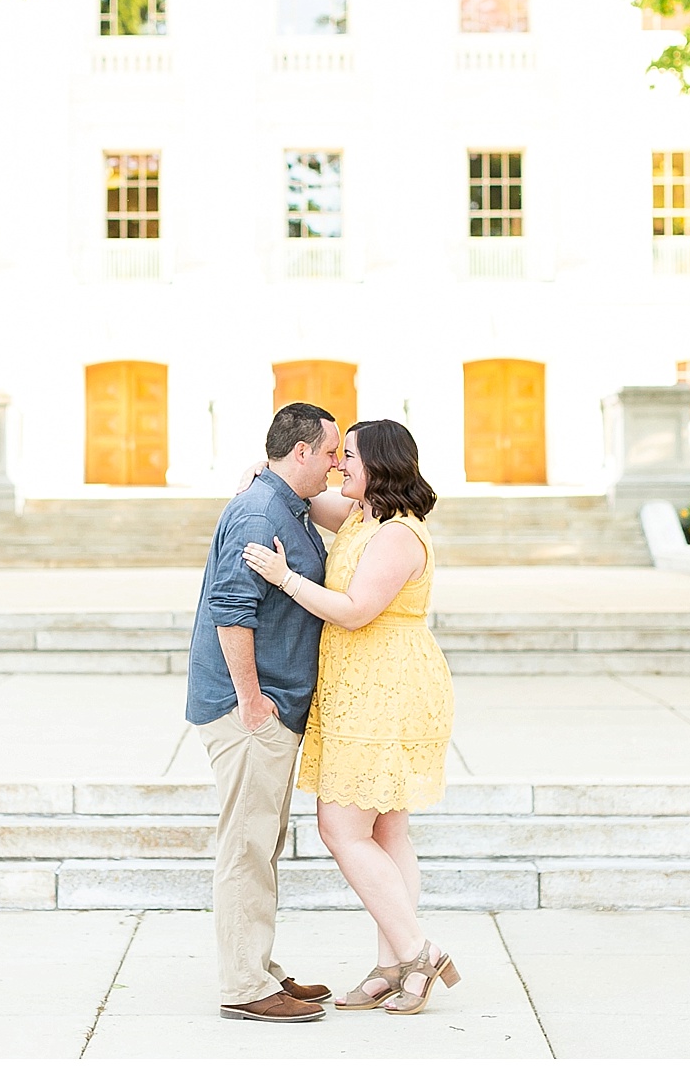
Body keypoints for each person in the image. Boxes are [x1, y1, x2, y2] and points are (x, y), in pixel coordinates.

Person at [241, 418, 460, 1016]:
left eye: (352, 457)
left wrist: (284, 578)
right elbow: (308, 496)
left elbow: (358, 610)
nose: (340, 464)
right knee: (387, 832)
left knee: (341, 829)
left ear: (380, 466)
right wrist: (270, 471)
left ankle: (417, 952)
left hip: (387, 687)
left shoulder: (396, 535)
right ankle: (394, 967)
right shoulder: (363, 517)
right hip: (362, 685)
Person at [183, 401, 342, 1024]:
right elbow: (231, 609)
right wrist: (251, 700)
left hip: (270, 705)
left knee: (261, 842)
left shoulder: (284, 504)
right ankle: (245, 986)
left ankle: (258, 966)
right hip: (250, 708)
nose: (334, 463)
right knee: (246, 847)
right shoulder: (260, 510)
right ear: (300, 451)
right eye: (329, 452)